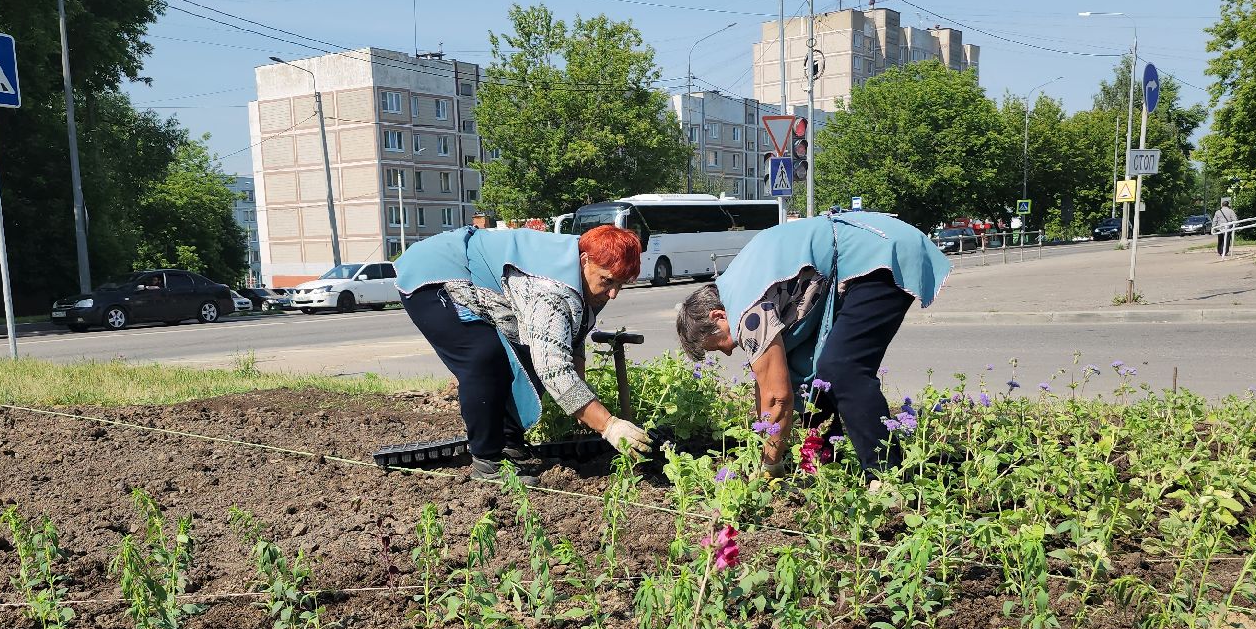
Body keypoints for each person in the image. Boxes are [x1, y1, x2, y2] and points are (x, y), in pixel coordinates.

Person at [674, 211, 950, 478]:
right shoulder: (737, 287)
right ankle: (824, 460)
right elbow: (769, 383)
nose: (728, 350)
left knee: (842, 368)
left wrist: (769, 464)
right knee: (814, 377)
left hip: (879, 256)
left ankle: (885, 474)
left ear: (718, 315)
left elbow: (778, 397)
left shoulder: (747, 313)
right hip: (869, 253)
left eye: (718, 343)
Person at [396, 223, 651, 482]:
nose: (613, 293)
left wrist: (581, 392)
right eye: (608, 281)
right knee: (484, 357)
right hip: (433, 274)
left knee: (529, 352)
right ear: (585, 260)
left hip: (477, 275)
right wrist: (608, 425)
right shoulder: (551, 292)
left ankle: (507, 442)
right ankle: (488, 462)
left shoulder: (595, 268)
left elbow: (572, 331)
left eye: (621, 284)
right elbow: (553, 368)